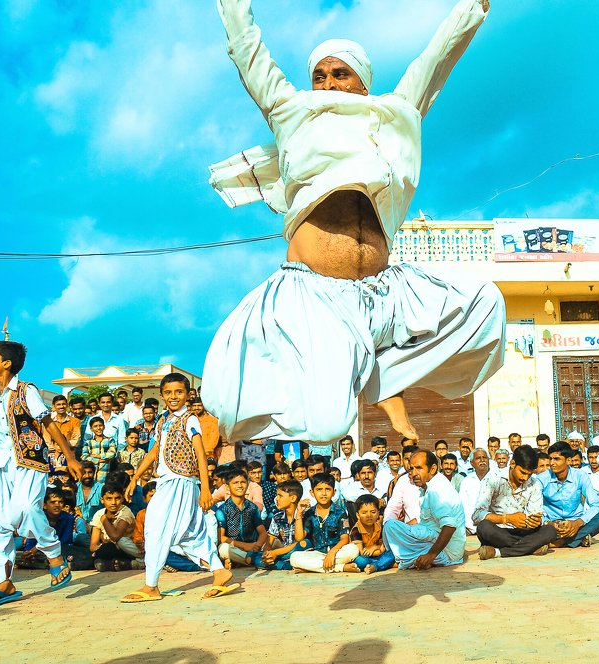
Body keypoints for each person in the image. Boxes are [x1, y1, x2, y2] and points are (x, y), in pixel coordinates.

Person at [203, 0, 503, 456]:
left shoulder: (395, 113)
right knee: (326, 426)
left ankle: (378, 378)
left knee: (488, 307)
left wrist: (471, 9)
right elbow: (247, 52)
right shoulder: (291, 112)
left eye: (339, 74)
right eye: (319, 76)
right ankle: (360, 375)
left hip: (386, 290)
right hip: (316, 295)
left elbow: (435, 61)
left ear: (363, 81)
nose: (328, 84)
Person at [0, 342, 84, 609]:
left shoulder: (26, 391)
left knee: (24, 509)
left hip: (29, 462)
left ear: (6, 363)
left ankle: (55, 557)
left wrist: (69, 457)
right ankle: (5, 582)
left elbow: (48, 423)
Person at [120, 373, 235, 602]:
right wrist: (135, 478)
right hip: (167, 481)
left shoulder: (190, 419)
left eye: (179, 392)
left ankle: (151, 586)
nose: (174, 396)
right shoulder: (163, 420)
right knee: (189, 532)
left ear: (187, 395)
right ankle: (219, 571)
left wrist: (205, 488)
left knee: (155, 527)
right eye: (169, 392)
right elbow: (154, 451)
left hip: (180, 482)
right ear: (162, 395)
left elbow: (200, 454)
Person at [383, 450, 465, 569]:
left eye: (419, 468)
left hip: (447, 553)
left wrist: (431, 555)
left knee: (391, 527)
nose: (413, 473)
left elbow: (449, 526)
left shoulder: (437, 489)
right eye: (411, 469)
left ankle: (404, 560)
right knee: (392, 527)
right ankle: (404, 559)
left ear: (432, 469)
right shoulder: (428, 486)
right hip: (432, 539)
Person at [474, 445, 554, 559]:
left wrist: (535, 521)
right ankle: (531, 547)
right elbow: (477, 515)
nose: (525, 478)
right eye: (522, 472)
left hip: (522, 531)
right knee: (483, 527)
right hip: (498, 532)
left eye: (529, 474)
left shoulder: (534, 484)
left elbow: (534, 514)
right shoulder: (493, 479)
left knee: (550, 531)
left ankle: (498, 552)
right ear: (512, 464)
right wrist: (507, 519)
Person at [536, 443, 599, 548]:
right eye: (550, 459)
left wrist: (578, 523)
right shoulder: (542, 478)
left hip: (576, 523)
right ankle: (576, 539)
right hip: (551, 524)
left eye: (556, 459)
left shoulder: (580, 476)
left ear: (568, 461)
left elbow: (596, 504)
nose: (552, 463)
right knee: (534, 526)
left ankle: (561, 542)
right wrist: (548, 522)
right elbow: (533, 507)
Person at [290, 474, 357, 573]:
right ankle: (339, 568)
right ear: (312, 493)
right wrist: (299, 513)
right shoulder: (310, 513)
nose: (324, 493)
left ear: (334, 492)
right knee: (294, 557)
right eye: (319, 489)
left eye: (328, 489)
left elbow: (344, 539)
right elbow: (299, 538)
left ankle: (314, 568)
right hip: (317, 554)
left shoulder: (340, 512)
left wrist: (332, 553)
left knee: (353, 549)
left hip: (337, 552)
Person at [215, 467, 267, 568]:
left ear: (247, 484)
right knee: (224, 549)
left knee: (273, 541)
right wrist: (245, 546)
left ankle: (247, 559)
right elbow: (221, 538)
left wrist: (257, 546)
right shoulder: (223, 510)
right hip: (235, 547)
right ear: (227, 487)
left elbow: (262, 532)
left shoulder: (252, 507)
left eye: (243, 482)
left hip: (254, 546)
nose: (240, 486)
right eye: (235, 483)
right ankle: (254, 559)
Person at [252, 480, 310, 571]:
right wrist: (267, 554)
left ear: (293, 498)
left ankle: (282, 564)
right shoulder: (277, 517)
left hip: (300, 552)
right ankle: (286, 565)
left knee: (304, 544)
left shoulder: (305, 515)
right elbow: (269, 541)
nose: (277, 499)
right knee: (254, 557)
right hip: (284, 553)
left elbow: (299, 541)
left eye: (280, 496)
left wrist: (275, 553)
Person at [90, 483, 139, 571]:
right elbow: (93, 546)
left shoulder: (125, 512)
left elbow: (115, 537)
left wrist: (104, 519)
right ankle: (113, 564)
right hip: (107, 548)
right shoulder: (99, 513)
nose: (113, 503)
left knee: (119, 542)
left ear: (122, 498)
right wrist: (102, 546)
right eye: (109, 499)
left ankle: (114, 563)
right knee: (104, 550)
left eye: (117, 498)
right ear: (102, 500)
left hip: (126, 550)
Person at [344, 494, 395, 573]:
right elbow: (361, 552)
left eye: (373, 512)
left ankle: (375, 566)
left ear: (378, 513)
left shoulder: (380, 527)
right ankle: (381, 565)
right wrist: (379, 550)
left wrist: (374, 547)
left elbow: (383, 547)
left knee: (392, 553)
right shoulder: (356, 530)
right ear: (357, 515)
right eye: (364, 513)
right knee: (361, 561)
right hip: (364, 557)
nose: (369, 515)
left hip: (377, 556)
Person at [459, 447, 491, 535]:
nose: (482, 460)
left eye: (484, 457)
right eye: (478, 458)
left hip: (492, 528)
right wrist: (471, 527)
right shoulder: (467, 481)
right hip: (470, 528)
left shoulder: (497, 478)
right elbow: (464, 506)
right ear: (472, 463)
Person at [82, 417, 118, 485]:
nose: (98, 428)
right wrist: (99, 460)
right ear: (91, 429)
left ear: (104, 427)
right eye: (95, 426)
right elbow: (84, 457)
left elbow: (112, 454)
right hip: (91, 478)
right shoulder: (88, 442)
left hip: (105, 476)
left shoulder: (110, 440)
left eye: (100, 425)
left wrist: (95, 456)